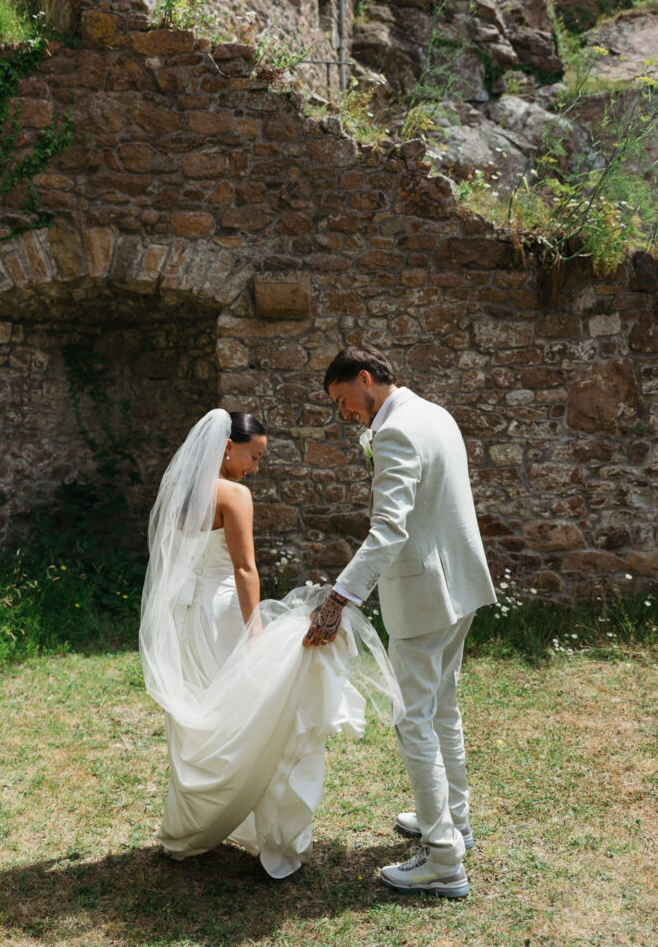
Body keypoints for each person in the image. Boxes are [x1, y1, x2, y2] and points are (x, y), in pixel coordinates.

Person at [140, 407, 403, 879]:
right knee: (255, 719)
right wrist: (255, 631)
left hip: (185, 617)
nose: (256, 469)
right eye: (254, 457)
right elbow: (244, 570)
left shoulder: (179, 493)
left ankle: (190, 828)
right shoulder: (233, 495)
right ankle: (271, 831)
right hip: (222, 614)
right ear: (226, 447)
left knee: (205, 720)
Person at [304, 345, 496, 898]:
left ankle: (442, 858)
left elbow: (388, 529)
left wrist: (338, 598)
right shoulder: (435, 414)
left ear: (366, 378)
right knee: (443, 707)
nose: (346, 414)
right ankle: (455, 822)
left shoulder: (395, 431)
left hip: (424, 594)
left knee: (412, 717)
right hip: (457, 586)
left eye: (345, 400)